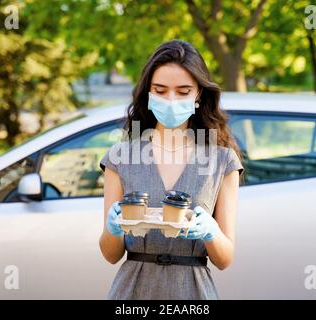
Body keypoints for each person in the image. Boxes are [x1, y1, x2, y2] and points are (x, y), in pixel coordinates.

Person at [98, 39, 244, 299]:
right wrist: (113, 228)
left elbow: (224, 259)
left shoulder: (222, 161)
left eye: (183, 91)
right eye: (161, 90)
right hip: (133, 291)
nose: (171, 100)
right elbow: (111, 255)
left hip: (193, 292)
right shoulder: (121, 157)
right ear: (149, 93)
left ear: (199, 93)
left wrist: (210, 231)